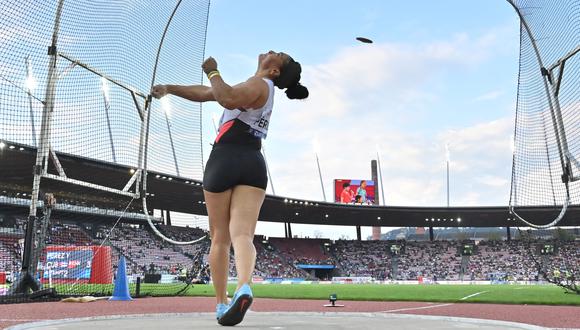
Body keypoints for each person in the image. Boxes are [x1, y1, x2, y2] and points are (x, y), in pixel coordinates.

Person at [151, 50, 308, 325]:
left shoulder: (258, 85)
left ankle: (222, 304)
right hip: (253, 161)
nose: (273, 51)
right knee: (243, 235)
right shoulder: (257, 88)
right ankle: (244, 286)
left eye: (279, 55)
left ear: (274, 71)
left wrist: (212, 70)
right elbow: (208, 93)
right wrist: (170, 89)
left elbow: (225, 96)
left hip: (225, 158)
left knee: (220, 238)